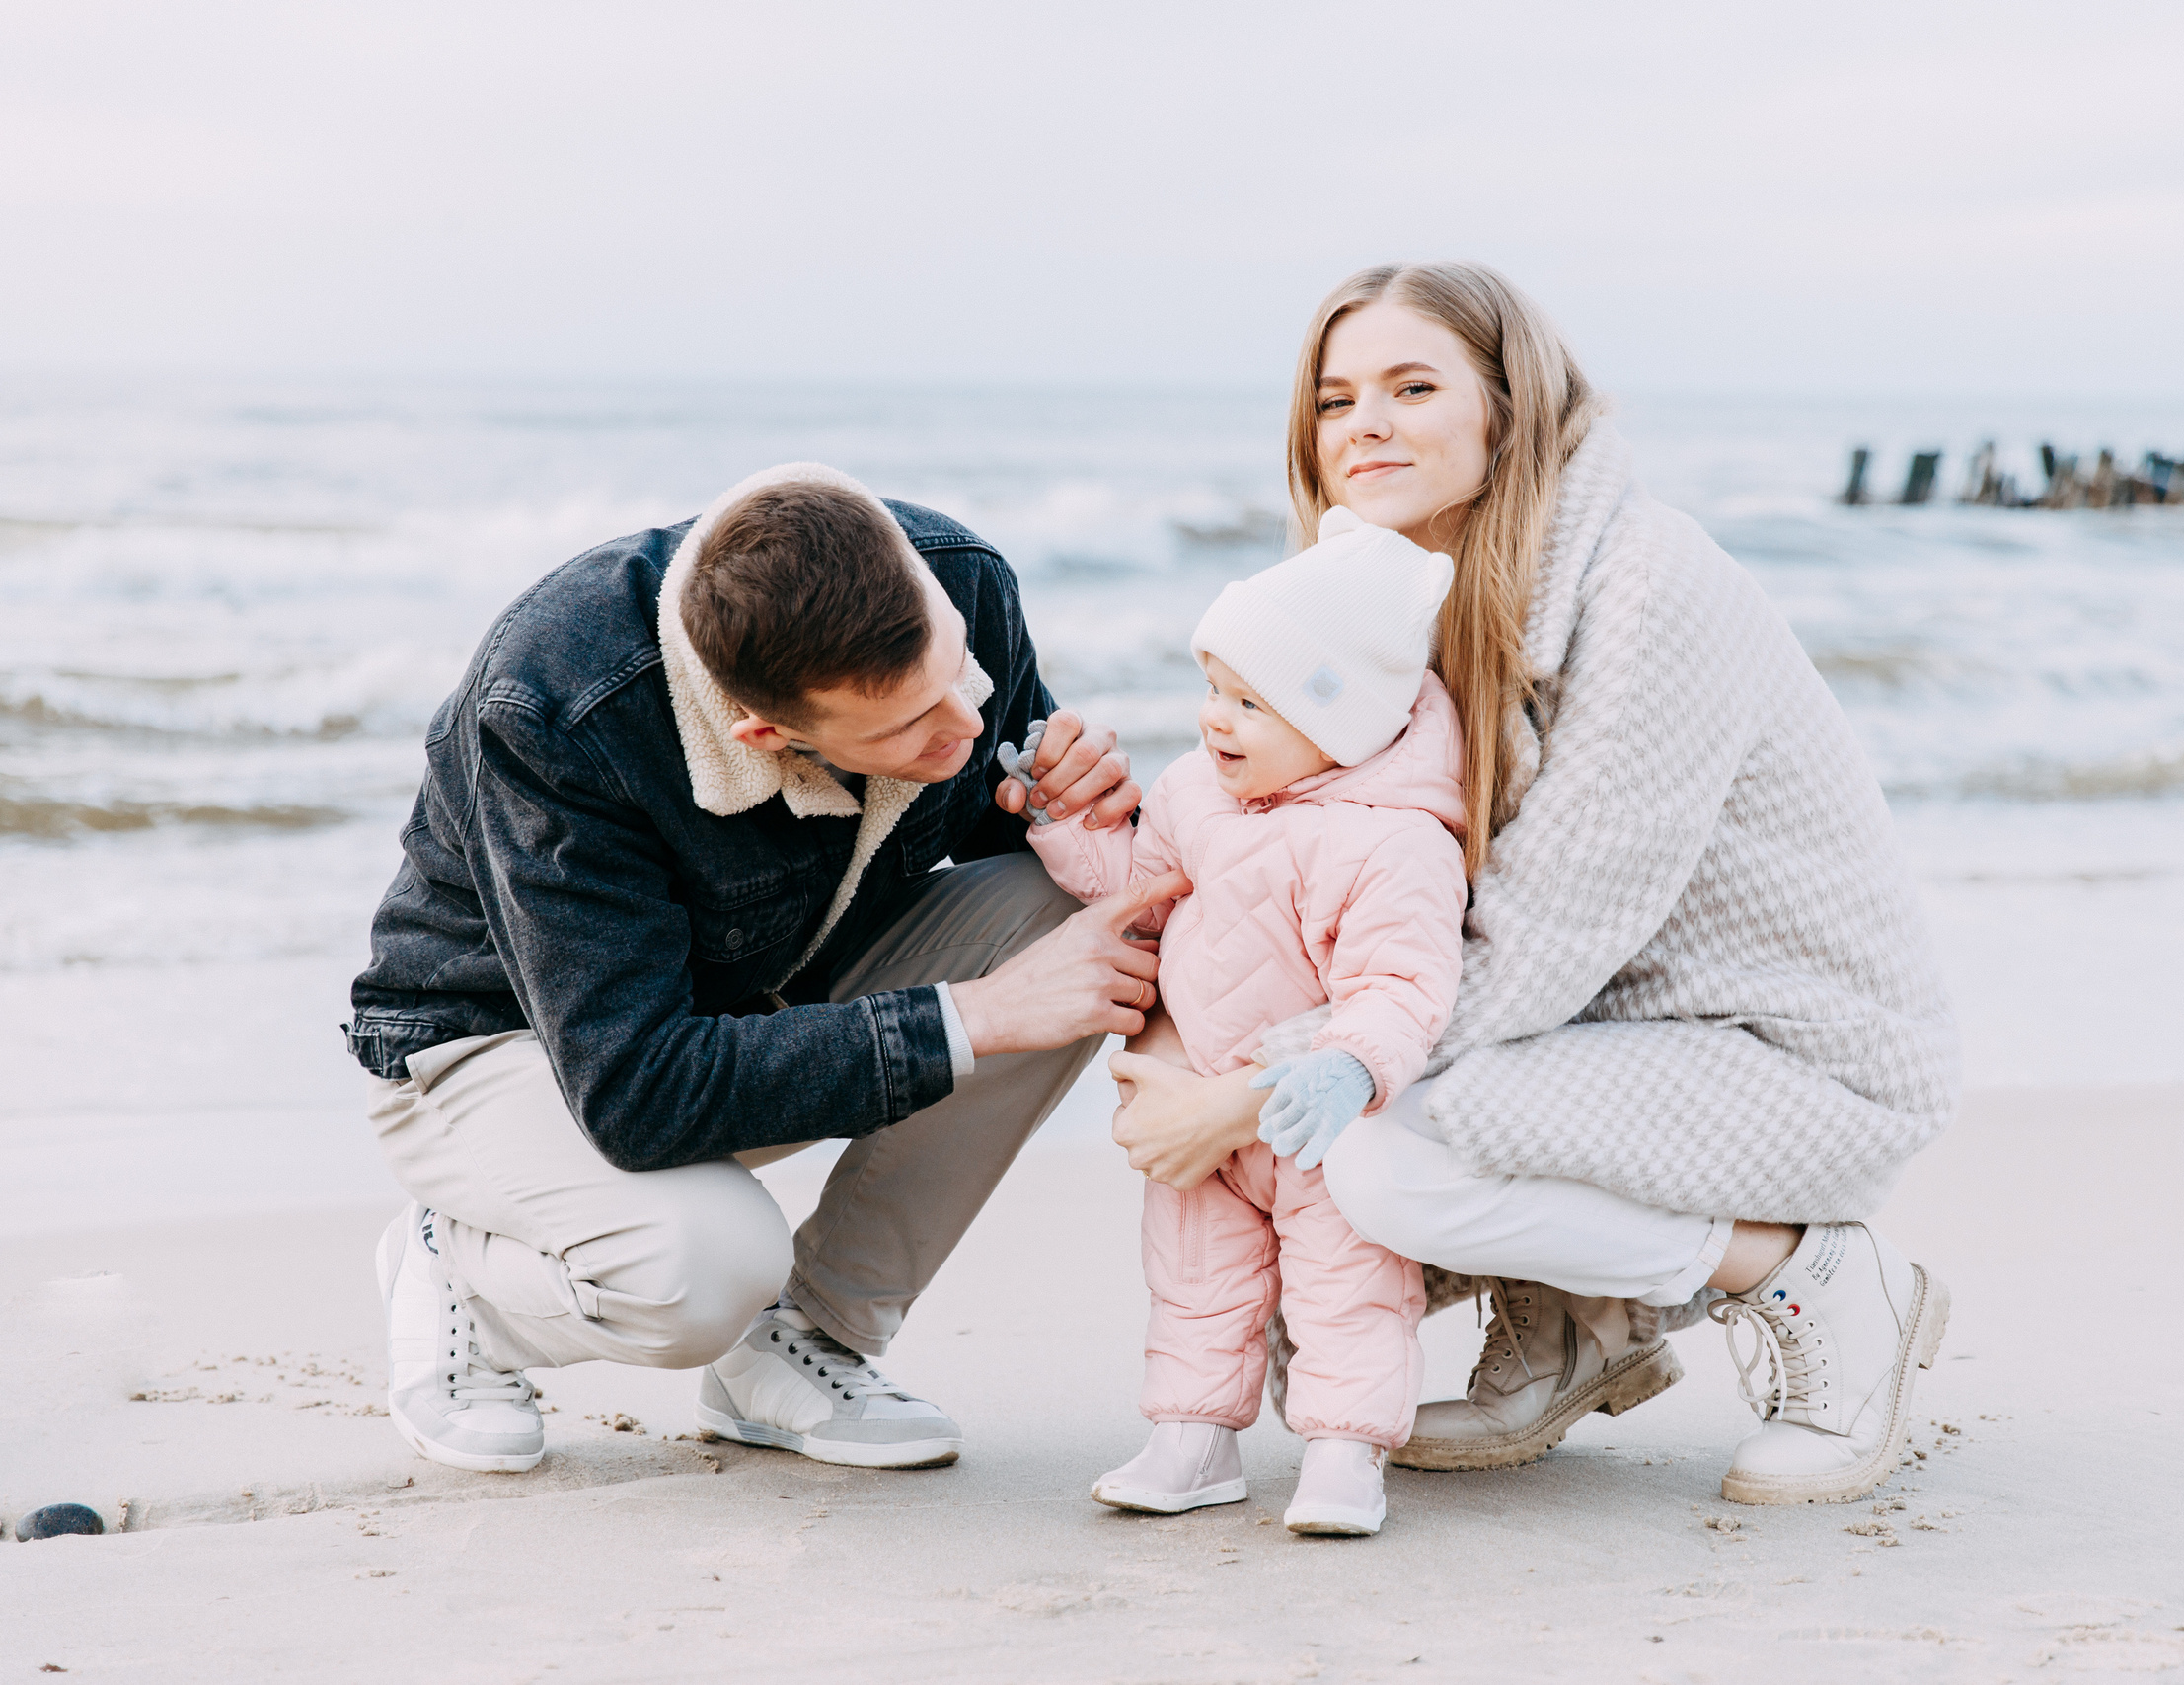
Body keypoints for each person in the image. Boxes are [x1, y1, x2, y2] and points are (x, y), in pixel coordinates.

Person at [1104, 264, 1963, 1507]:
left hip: (1789, 1061)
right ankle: (1577, 1319)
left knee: (1378, 1164)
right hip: (1599, 1036)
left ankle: (1809, 1273)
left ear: (1509, 408)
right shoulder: (1387, 611)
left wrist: (1238, 1091)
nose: (1367, 426)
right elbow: (1272, 881)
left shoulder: (1648, 589)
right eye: (1337, 400)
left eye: (1412, 387)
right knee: (1300, 1316)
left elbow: (1536, 949)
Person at [349, 462, 1181, 1475]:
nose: (965, 727)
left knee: (1079, 922)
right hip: (500, 1047)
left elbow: (993, 819)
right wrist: (973, 1018)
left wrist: (1072, 810)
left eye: (956, 676)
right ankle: (464, 1279)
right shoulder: (559, 709)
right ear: (764, 731)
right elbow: (638, 1092)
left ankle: (807, 1343)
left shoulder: (954, 581)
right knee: (703, 1270)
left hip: (773, 989)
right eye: (908, 728)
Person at [1007, 508, 1465, 1537]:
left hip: (1310, 1118)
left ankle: (1346, 1453)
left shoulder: (1395, 844)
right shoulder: (1192, 793)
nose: (1216, 719)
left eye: (1251, 702)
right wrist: (1064, 822)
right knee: (1193, 1279)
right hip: (1195, 1107)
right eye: (1213, 688)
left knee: (1349, 1288)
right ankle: (1192, 1437)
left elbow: (1406, 985)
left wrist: (1350, 1068)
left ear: (1341, 719)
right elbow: (1134, 886)